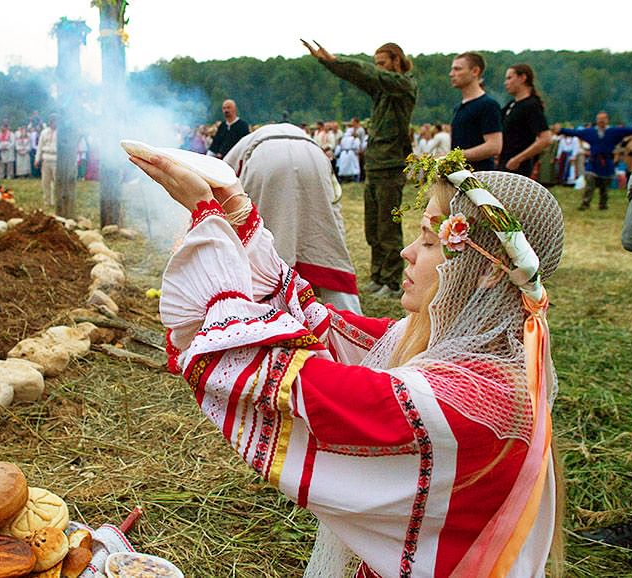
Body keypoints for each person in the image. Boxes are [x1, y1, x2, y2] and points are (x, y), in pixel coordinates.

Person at [129, 149, 565, 577]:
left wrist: (208, 221)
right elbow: (324, 328)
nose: (407, 252)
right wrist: (238, 219)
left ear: (489, 271)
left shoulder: (476, 399)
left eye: (431, 240)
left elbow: (289, 381)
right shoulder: (454, 348)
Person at [304, 40, 417, 298]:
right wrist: (329, 64)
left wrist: (336, 60)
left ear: (397, 61)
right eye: (377, 63)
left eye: (383, 63)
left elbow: (369, 74)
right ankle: (378, 275)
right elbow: (359, 77)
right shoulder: (382, 91)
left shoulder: (403, 86)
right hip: (376, 164)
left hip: (390, 165)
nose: (379, 68)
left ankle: (392, 281)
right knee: (373, 226)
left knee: (388, 227)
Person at [224, 123, 362, 314]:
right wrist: (338, 239)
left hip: (265, 160)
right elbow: (334, 204)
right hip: (314, 158)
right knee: (327, 248)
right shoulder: (300, 139)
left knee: (267, 244)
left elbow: (224, 197)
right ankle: (350, 315)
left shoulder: (237, 151)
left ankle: (271, 314)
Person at [560, 112, 632, 210]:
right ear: (596, 120)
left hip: (607, 162)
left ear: (607, 120)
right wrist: (561, 130)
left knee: (604, 186)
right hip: (593, 162)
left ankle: (603, 204)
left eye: (603, 119)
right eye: (599, 119)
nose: (601, 121)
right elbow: (576, 132)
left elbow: (630, 130)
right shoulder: (591, 132)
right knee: (590, 181)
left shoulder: (614, 131)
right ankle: (585, 203)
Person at [449, 52, 502, 171]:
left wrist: (453, 156)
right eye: (452, 69)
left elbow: (494, 146)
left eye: (457, 69)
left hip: (480, 177)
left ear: (475, 71)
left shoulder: (488, 105)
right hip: (460, 175)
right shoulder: (458, 107)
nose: (451, 74)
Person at [498, 64, 551, 177]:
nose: (506, 83)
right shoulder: (511, 105)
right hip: (504, 164)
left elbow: (545, 139)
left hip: (518, 169)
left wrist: (518, 159)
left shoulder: (531, 105)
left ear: (522, 78)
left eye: (509, 78)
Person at [35, 115, 58, 206]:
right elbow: (40, 146)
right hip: (46, 158)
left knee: (56, 182)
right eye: (51, 120)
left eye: (55, 120)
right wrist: (37, 159)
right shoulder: (44, 132)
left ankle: (55, 201)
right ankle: (46, 201)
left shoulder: (60, 133)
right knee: (45, 181)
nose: (53, 122)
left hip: (56, 158)